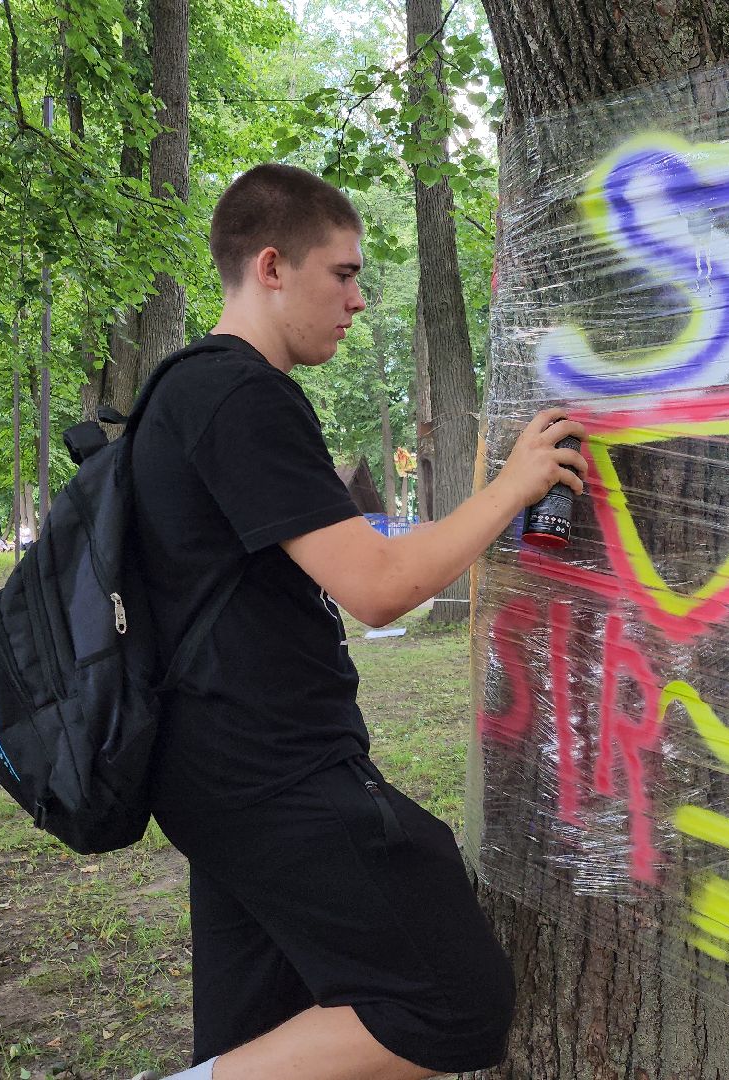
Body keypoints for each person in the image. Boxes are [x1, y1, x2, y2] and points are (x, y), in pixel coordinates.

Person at [128, 163, 583, 1080]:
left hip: (214, 769)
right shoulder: (236, 393)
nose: (359, 299)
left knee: (260, 1026)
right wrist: (512, 489)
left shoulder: (183, 391)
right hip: (266, 770)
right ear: (270, 267)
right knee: (455, 1003)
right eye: (342, 273)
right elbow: (374, 584)